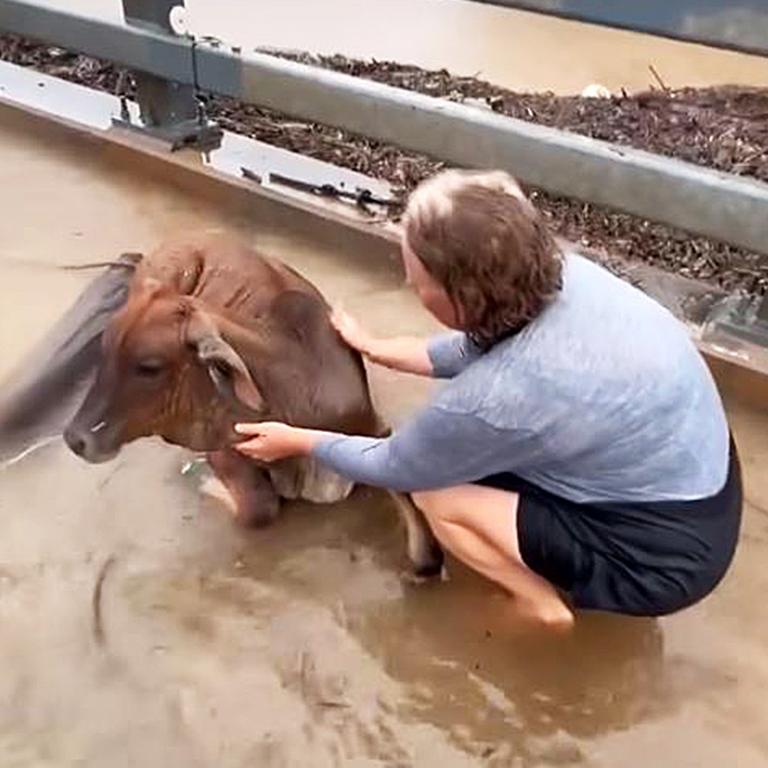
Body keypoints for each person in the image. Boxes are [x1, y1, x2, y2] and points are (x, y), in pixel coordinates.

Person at [235, 169, 742, 630]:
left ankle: (540, 607)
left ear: (462, 297)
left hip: (661, 558)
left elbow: (395, 465)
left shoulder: (499, 397)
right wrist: (376, 348)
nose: (408, 280)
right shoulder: (560, 276)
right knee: (465, 458)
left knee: (439, 494)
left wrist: (298, 440)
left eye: (416, 279)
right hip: (700, 479)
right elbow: (476, 344)